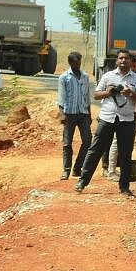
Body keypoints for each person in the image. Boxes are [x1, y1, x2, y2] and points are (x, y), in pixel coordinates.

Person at [75, 50, 136, 196]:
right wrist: (109, 92)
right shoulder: (108, 76)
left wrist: (131, 94)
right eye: (120, 58)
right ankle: (82, 181)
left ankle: (124, 187)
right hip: (107, 118)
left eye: (126, 59)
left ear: (130, 62)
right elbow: (95, 95)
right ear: (116, 61)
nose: (123, 61)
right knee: (95, 150)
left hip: (126, 120)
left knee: (125, 154)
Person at [56, 51, 92, 181]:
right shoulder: (64, 77)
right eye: (75, 63)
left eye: (79, 62)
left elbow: (87, 96)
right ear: (70, 63)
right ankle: (66, 170)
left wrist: (89, 114)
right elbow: (61, 97)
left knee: (88, 141)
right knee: (67, 143)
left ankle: (77, 167)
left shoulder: (85, 77)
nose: (78, 65)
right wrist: (62, 114)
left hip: (83, 113)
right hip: (69, 114)